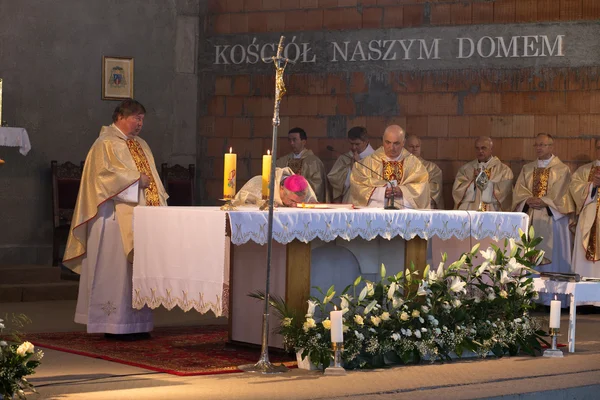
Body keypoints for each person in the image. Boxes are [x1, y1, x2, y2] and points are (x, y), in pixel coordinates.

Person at [63, 99, 168, 339]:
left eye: (142, 119)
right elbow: (101, 178)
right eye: (135, 118)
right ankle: (113, 325)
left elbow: (153, 179)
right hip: (111, 217)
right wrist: (135, 181)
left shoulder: (141, 145)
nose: (140, 123)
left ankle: (137, 324)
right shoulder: (104, 144)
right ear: (120, 117)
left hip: (140, 217)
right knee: (116, 271)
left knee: (135, 273)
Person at [513, 133, 575, 305]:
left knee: (553, 256)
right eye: (536, 145)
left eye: (542, 145)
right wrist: (527, 199)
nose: (539, 148)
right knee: (529, 254)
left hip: (552, 218)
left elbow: (563, 194)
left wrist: (544, 201)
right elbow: (519, 190)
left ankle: (553, 300)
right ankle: (531, 298)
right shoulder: (527, 168)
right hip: (531, 215)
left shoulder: (562, 169)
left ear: (551, 147)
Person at [348, 125, 429, 209]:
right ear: (383, 140)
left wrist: (403, 191)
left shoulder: (414, 164)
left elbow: (422, 187)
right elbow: (358, 186)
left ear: (403, 142)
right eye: (388, 142)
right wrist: (382, 192)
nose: (391, 147)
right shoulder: (367, 163)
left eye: (396, 143)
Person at [569, 138, 600, 291]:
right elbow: (574, 189)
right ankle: (583, 298)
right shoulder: (584, 170)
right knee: (584, 259)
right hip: (588, 217)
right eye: (599, 147)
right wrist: (592, 186)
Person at [452, 136, 513, 211]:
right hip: (470, 211)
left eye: (483, 148)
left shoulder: (504, 170)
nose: (480, 151)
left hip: (492, 211)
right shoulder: (466, 169)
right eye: (477, 148)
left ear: (491, 149)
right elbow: (457, 192)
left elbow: (505, 195)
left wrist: (482, 181)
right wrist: (473, 183)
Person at [276, 127, 327, 202]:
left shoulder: (314, 162)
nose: (291, 143)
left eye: (294, 140)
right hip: (285, 201)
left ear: (303, 142)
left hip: (305, 202)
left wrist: (299, 185)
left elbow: (318, 185)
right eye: (289, 140)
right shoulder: (282, 161)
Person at [327, 126, 375, 203]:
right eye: (351, 143)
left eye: (357, 144)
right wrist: (350, 169)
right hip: (348, 200)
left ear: (366, 141)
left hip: (368, 201)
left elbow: (376, 182)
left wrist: (359, 166)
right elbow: (335, 181)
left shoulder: (376, 159)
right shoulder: (345, 158)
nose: (353, 147)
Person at [233, 168, 317, 207]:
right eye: (292, 201)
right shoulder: (258, 184)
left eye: (299, 202)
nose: (294, 206)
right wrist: (261, 204)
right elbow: (239, 206)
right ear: (282, 188)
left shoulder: (304, 186)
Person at [405, 135, 444, 209]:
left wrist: (410, 190)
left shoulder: (432, 168)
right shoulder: (399, 166)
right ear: (404, 148)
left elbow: (435, 188)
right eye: (411, 146)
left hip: (425, 207)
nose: (415, 149)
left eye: (417, 146)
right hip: (404, 205)